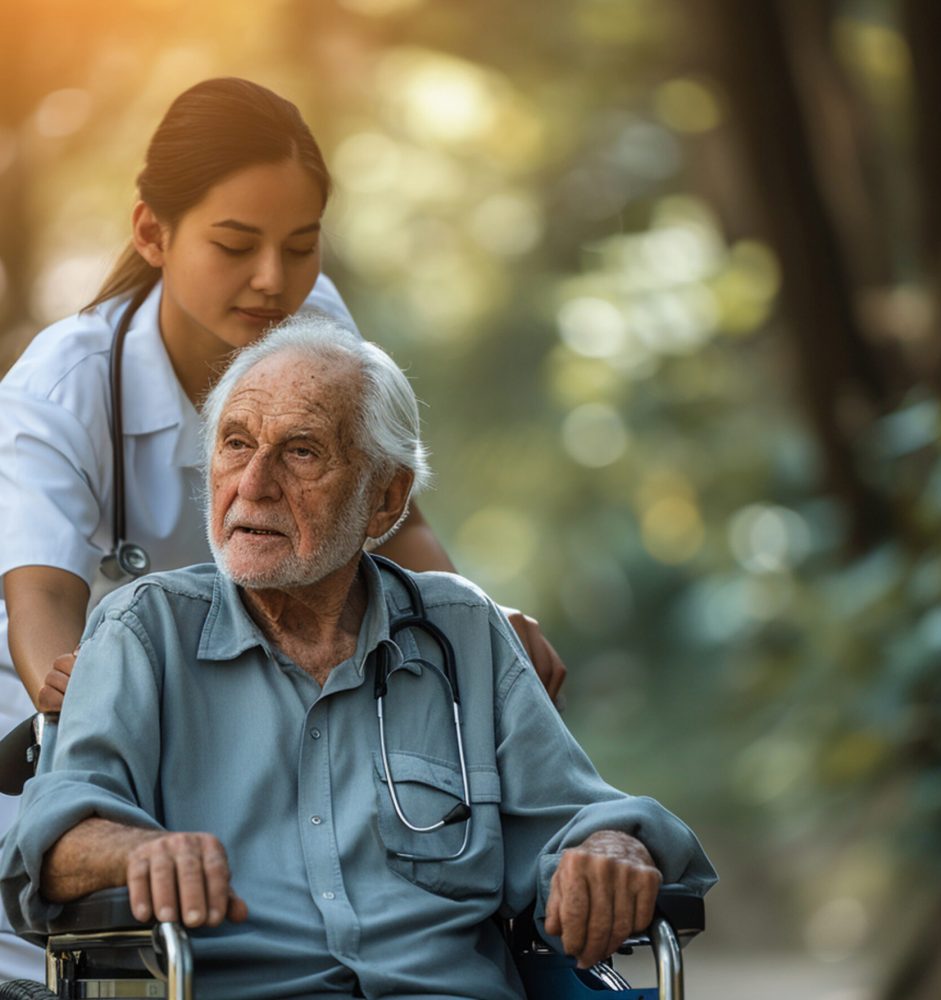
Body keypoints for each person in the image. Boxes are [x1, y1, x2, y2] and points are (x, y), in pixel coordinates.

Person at [0, 78, 565, 979]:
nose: (274, 279)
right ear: (152, 233)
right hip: (99, 704)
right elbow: (40, 604)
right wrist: (91, 693)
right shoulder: (61, 387)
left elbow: (394, 516)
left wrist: (476, 631)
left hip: (274, 682)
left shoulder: (312, 318)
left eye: (301, 247)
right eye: (235, 245)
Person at [0, 317, 715, 999]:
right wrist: (134, 852)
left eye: (301, 451)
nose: (252, 485)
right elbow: (51, 838)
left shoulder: (460, 628)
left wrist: (616, 848)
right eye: (235, 443)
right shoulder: (142, 629)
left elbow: (574, 819)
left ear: (385, 498)